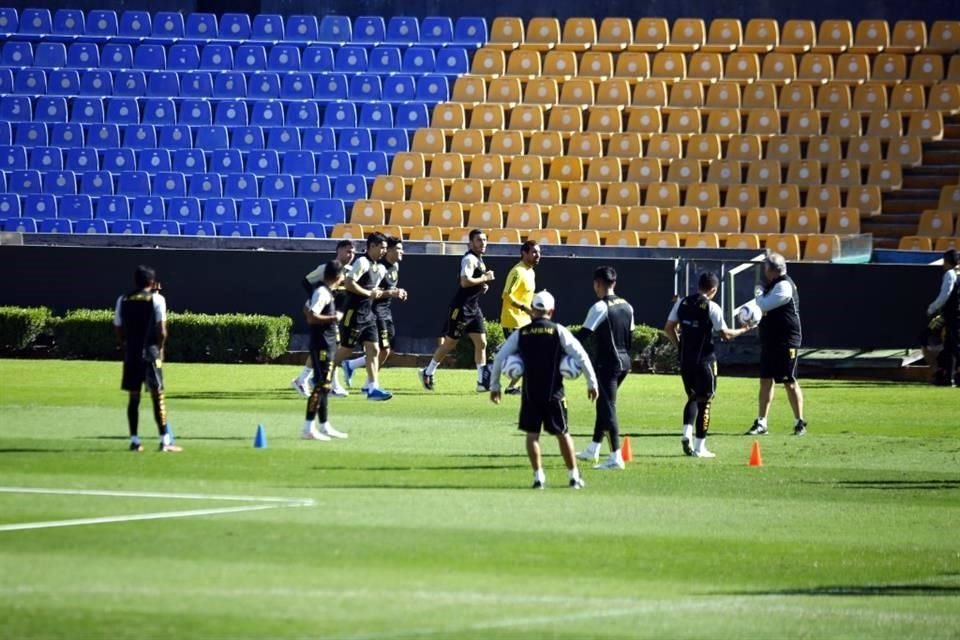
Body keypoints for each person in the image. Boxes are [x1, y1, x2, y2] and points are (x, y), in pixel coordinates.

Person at [490, 291, 598, 489]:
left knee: (532, 435)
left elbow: (499, 358)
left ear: (533, 310)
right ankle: (574, 476)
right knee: (563, 434)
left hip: (530, 393)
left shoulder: (521, 333)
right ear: (552, 310)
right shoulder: (559, 331)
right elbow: (581, 356)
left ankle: (538, 477)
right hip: (554, 393)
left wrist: (495, 386)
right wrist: (592, 383)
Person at [664, 271, 754, 458]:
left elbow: (668, 328)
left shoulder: (683, 302)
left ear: (699, 286)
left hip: (686, 359)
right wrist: (744, 329)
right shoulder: (712, 307)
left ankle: (686, 434)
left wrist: (679, 346)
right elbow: (725, 334)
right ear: (713, 289)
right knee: (705, 401)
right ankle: (700, 447)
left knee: (691, 397)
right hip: (705, 360)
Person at [112, 265, 181, 452]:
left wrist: (125, 345)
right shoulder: (157, 300)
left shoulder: (123, 299)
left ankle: (135, 441)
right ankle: (165, 441)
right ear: (152, 282)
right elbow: (162, 331)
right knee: (158, 396)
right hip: (150, 354)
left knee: (133, 398)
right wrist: (160, 350)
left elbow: (118, 327)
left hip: (132, 355)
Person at [418, 229, 495, 392]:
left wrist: (482, 286)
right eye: (479, 240)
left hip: (473, 307)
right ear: (470, 243)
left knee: (481, 342)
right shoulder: (469, 259)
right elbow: (465, 282)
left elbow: (472, 283)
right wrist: (484, 278)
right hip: (461, 308)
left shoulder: (479, 260)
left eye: (484, 240)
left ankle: (481, 382)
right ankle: (427, 371)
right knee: (450, 343)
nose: (483, 243)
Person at [574, 266, 635, 470]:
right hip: (624, 362)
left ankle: (616, 457)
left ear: (597, 284)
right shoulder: (627, 305)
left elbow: (582, 336)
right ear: (614, 283)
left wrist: (561, 349)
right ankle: (593, 448)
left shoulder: (600, 307)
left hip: (608, 364)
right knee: (603, 405)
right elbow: (630, 336)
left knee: (608, 408)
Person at [745, 253, 807, 436]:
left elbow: (763, 304)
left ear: (772, 270)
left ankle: (799, 422)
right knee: (765, 380)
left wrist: (757, 292)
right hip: (770, 339)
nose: (764, 272)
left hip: (786, 340)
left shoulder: (784, 286)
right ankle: (762, 422)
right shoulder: (774, 284)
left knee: (789, 381)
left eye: (766, 268)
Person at [333, 232, 395, 401]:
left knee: (374, 349)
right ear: (372, 246)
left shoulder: (381, 268)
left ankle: (372, 388)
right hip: (354, 312)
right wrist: (369, 293)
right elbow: (349, 283)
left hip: (369, 314)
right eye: (381, 248)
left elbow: (376, 291)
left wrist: (393, 292)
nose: (384, 251)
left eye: (385, 248)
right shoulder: (362, 262)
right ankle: (324, 375)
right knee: (346, 349)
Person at [342, 236, 408, 394]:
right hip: (374, 311)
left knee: (379, 350)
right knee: (372, 350)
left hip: (383, 311)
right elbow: (366, 288)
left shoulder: (393, 266)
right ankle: (321, 377)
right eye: (398, 249)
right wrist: (389, 293)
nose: (402, 252)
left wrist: (396, 292)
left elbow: (382, 290)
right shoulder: (374, 265)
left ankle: (365, 380)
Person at [292, 239, 355, 398]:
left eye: (353, 252)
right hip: (324, 314)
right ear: (338, 250)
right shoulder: (325, 269)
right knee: (328, 348)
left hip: (333, 315)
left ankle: (315, 381)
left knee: (333, 348)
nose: (351, 255)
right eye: (348, 251)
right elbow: (306, 281)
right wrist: (318, 299)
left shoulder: (350, 270)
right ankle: (319, 383)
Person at [301, 260, 348, 440]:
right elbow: (312, 316)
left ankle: (324, 425)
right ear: (338, 276)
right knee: (320, 385)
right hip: (321, 344)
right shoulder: (322, 293)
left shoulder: (324, 291)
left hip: (325, 343)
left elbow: (305, 309)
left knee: (325, 386)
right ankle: (308, 428)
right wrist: (332, 318)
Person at [499, 240, 541, 394]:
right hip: (513, 320)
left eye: (539, 252)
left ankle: (511, 386)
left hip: (525, 320)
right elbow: (506, 295)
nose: (538, 255)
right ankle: (494, 365)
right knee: (527, 356)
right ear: (524, 253)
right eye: (534, 252)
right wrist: (524, 308)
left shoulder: (531, 272)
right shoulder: (517, 272)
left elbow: (525, 295)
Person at [927, 249, 960, 386]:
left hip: (953, 314)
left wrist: (932, 308)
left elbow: (945, 295)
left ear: (947, 261)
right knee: (951, 346)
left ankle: (948, 377)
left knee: (955, 345)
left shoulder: (950, 274)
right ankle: (949, 377)